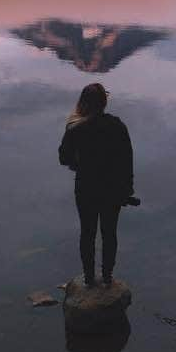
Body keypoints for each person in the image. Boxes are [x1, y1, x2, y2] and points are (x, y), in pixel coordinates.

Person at [58, 82, 134, 287]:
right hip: (112, 189)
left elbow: (63, 158)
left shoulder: (76, 127)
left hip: (86, 187)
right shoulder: (117, 125)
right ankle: (108, 277)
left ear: (83, 103)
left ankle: (89, 278)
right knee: (109, 233)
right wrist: (127, 190)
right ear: (104, 103)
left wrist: (78, 165)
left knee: (87, 233)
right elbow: (127, 160)